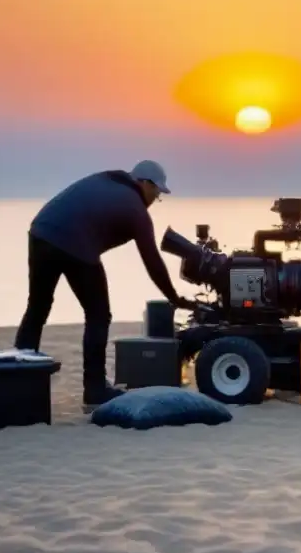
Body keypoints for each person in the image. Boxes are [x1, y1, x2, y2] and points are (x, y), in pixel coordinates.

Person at [12, 161, 195, 409]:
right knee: (98, 314)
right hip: (75, 243)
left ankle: (18, 381)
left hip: (42, 231)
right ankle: (95, 389)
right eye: (157, 192)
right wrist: (174, 297)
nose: (155, 198)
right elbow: (152, 262)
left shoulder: (109, 179)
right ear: (145, 183)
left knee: (38, 307)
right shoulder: (136, 211)